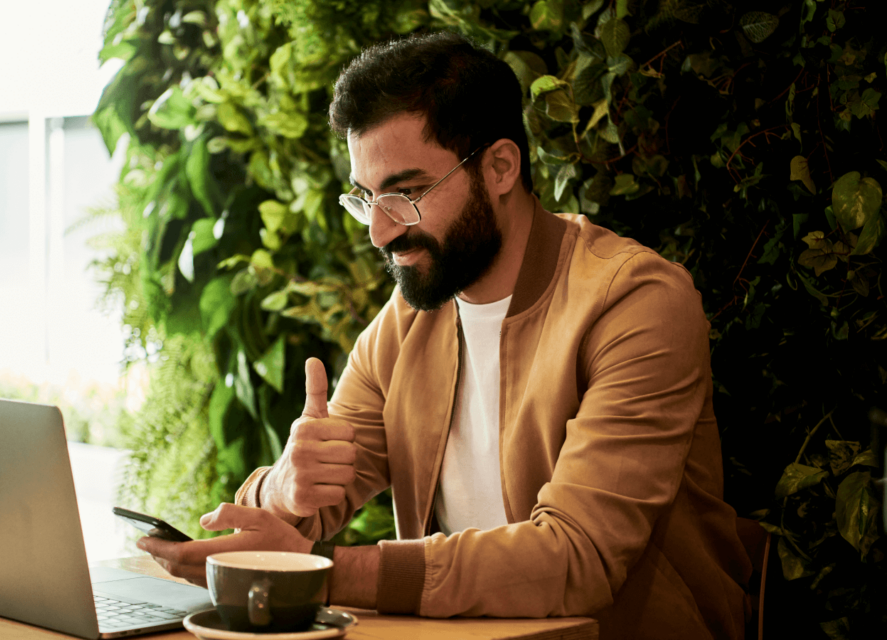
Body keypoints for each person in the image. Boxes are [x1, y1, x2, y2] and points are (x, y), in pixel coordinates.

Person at [138, 31, 753, 639]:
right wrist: (287, 487)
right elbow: (304, 505)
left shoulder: (634, 303)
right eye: (366, 198)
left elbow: (575, 558)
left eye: (407, 194)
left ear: (501, 167)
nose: (380, 232)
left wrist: (322, 575)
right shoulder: (409, 322)